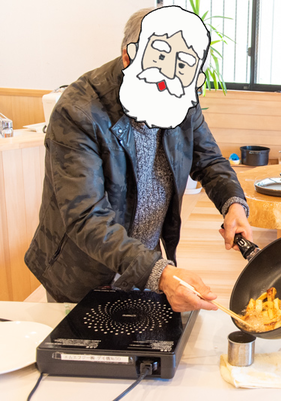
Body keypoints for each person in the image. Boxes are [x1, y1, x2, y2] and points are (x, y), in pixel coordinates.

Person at [25, 6, 253, 312]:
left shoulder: (179, 93)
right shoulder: (79, 111)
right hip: (80, 272)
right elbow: (86, 216)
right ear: (128, 57)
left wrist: (233, 204)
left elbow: (209, 160)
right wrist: (161, 274)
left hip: (142, 261)